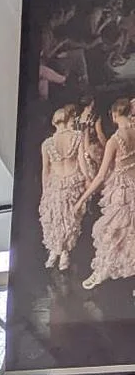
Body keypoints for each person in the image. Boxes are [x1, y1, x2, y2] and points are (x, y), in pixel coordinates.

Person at [77, 98, 135, 290]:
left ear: (115, 115)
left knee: (111, 231)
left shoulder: (115, 141)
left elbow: (101, 176)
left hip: (121, 192)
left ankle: (101, 271)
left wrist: (81, 200)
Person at [38, 105, 85, 271]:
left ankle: (57, 252)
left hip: (56, 183)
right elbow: (82, 163)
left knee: (55, 217)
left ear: (54, 122)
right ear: (67, 120)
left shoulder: (47, 144)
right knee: (69, 218)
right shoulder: (78, 136)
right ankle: (62, 252)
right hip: (72, 180)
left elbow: (45, 170)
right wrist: (88, 180)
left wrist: (45, 191)